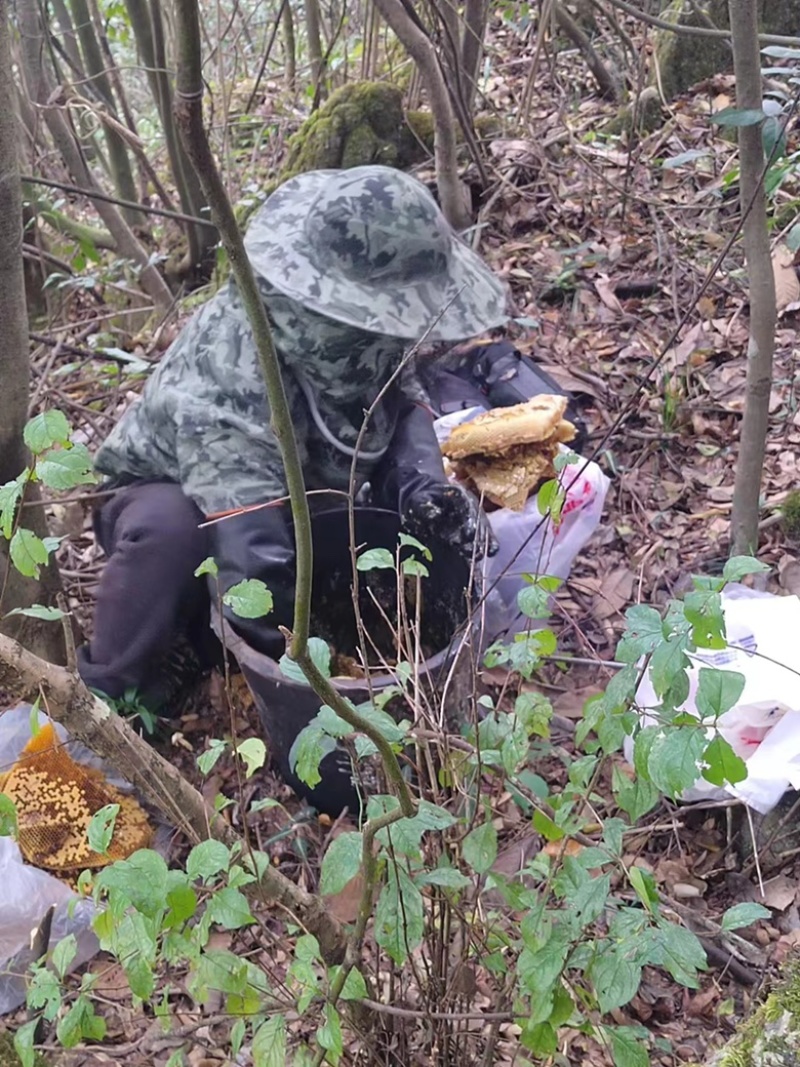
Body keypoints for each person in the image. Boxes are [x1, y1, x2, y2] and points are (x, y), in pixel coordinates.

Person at [76, 165, 508, 711]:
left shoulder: (365, 341)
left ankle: (227, 632)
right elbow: (250, 541)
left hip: (302, 488)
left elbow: (400, 399)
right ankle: (106, 694)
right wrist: (307, 676)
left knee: (379, 538)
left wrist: (420, 486)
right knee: (171, 532)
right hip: (174, 492)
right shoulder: (231, 365)